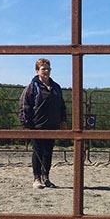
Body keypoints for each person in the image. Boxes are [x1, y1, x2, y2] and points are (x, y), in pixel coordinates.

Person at [18, 58, 67, 189]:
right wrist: (26, 124)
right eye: (43, 68)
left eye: (48, 68)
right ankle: (37, 178)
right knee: (38, 151)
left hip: (52, 125)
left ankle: (46, 177)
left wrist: (63, 120)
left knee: (48, 152)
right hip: (37, 125)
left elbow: (62, 105)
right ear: (37, 71)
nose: (46, 71)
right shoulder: (32, 87)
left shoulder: (56, 87)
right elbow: (24, 106)